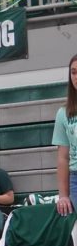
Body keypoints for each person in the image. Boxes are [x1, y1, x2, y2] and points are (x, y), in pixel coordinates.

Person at [53, 54, 77, 217]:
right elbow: (63, 158)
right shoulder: (64, 113)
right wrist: (63, 195)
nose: (76, 76)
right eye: (74, 72)